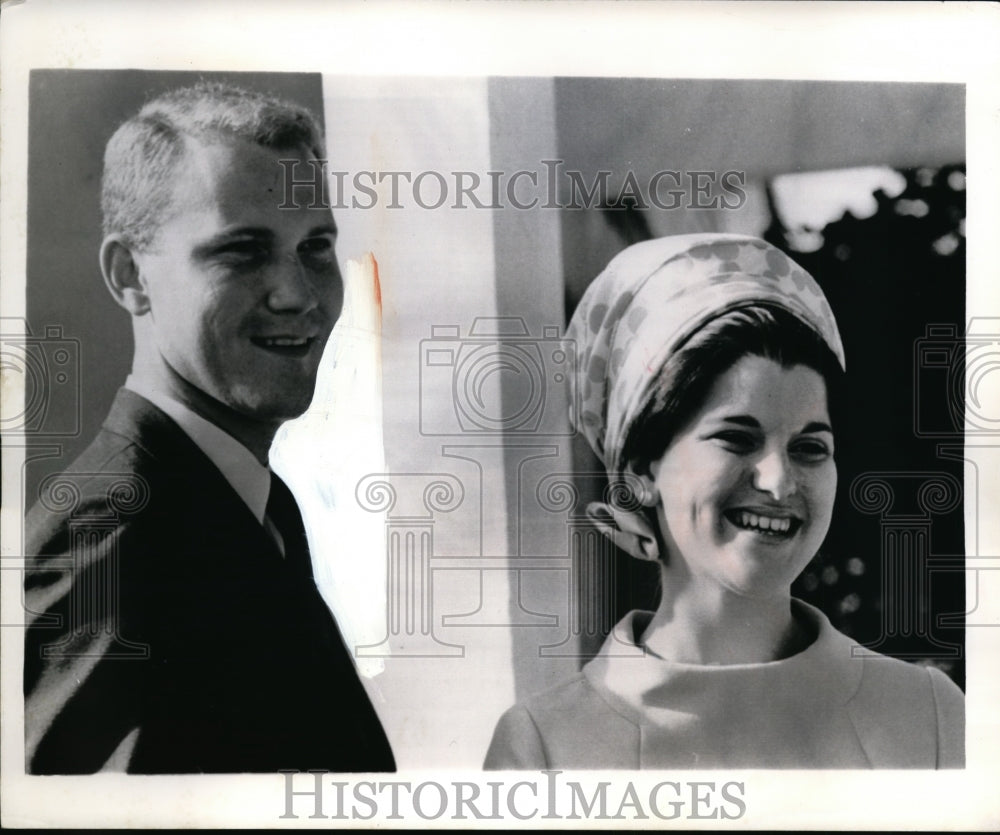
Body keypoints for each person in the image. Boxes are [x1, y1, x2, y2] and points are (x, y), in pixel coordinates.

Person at [484, 233, 964, 769]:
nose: (780, 483)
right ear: (642, 469)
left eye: (810, 448)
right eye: (737, 438)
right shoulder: (544, 746)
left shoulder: (928, 715)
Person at [23, 81, 395, 774]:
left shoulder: (257, 502)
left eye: (315, 247)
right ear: (130, 275)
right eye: (243, 251)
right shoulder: (105, 532)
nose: (298, 294)